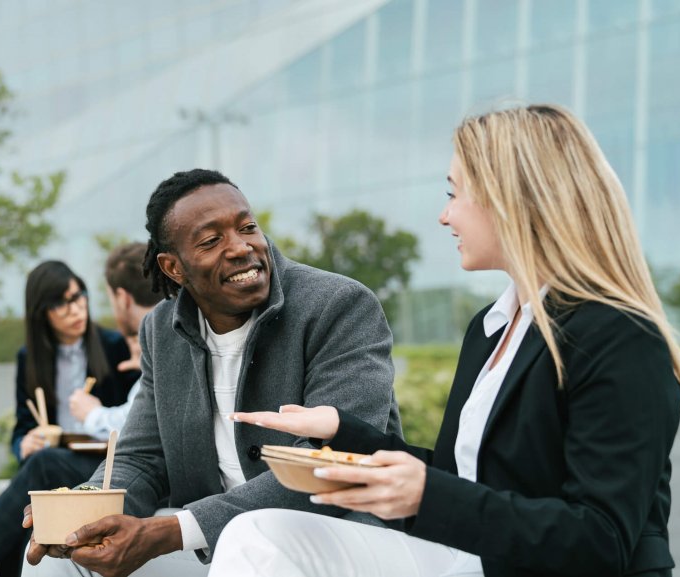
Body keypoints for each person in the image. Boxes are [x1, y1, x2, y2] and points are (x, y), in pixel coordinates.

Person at [214, 104, 680, 577]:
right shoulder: (492, 328)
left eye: (454, 194)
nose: (445, 217)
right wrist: (342, 431)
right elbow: (458, 478)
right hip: (463, 558)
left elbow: (601, 540)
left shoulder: (619, 334)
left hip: (517, 566)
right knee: (257, 535)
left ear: (511, 199)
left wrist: (428, 497)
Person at [22, 168, 402, 577]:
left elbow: (328, 463)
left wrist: (169, 531)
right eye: (211, 240)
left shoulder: (338, 306)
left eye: (247, 227)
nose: (241, 248)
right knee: (60, 564)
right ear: (172, 267)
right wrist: (82, 512)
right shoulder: (160, 330)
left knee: (250, 553)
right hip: (211, 543)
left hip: (329, 536)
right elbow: (141, 457)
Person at [0, 261, 139, 577]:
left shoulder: (115, 347)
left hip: (103, 464)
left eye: (79, 297)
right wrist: (24, 442)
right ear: (42, 313)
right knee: (35, 486)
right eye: (62, 304)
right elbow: (22, 426)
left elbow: (136, 419)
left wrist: (95, 411)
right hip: (50, 465)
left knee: (42, 469)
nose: (76, 309)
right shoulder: (29, 358)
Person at [69, 242, 164, 437]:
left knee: (44, 462)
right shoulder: (174, 329)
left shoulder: (163, 340)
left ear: (122, 298)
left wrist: (91, 414)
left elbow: (135, 426)